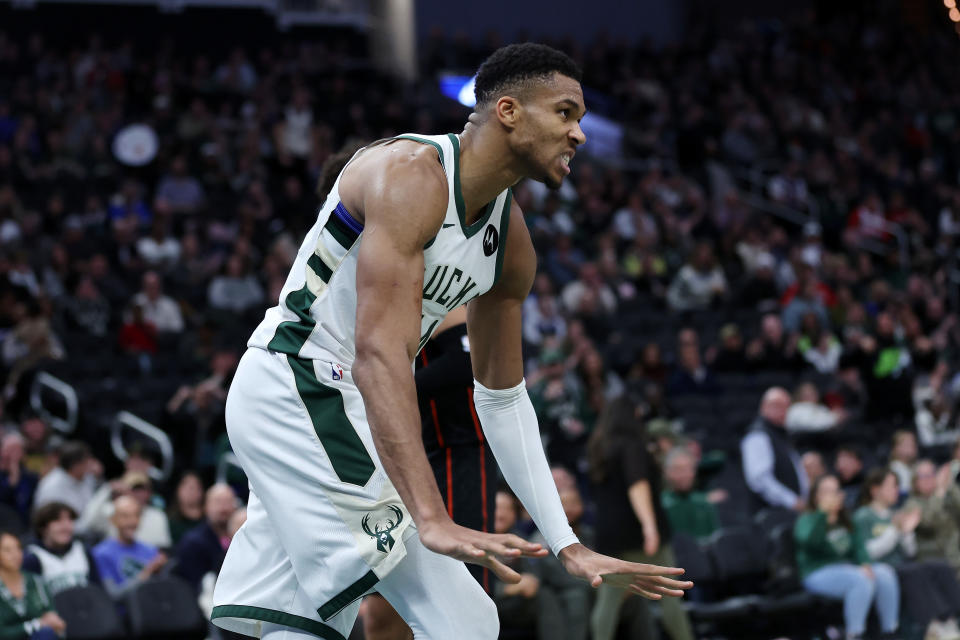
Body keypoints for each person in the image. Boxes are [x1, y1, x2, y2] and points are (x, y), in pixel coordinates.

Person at [211, 43, 690, 640]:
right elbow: (378, 355)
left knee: (286, 626)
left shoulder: (510, 241)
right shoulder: (410, 175)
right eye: (566, 113)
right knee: (465, 617)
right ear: (508, 111)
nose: (580, 136)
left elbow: (504, 399)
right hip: (301, 383)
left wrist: (568, 545)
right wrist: (431, 518)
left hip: (340, 404)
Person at [360, 305, 499, 640]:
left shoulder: (442, 298)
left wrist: (391, 389)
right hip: (397, 458)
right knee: (381, 605)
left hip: (457, 452)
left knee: (463, 591)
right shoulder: (364, 298)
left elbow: (466, 362)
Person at [587, 395, 694, 640]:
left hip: (609, 538)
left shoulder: (599, 448)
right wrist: (650, 527)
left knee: (607, 602)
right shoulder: (632, 444)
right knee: (671, 596)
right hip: (637, 535)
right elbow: (638, 485)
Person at [854, 469, 960, 640]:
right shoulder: (863, 516)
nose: (896, 490)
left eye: (896, 485)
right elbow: (869, 552)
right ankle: (934, 624)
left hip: (902, 564)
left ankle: (951, 618)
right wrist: (894, 530)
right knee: (913, 571)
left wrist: (907, 532)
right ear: (875, 490)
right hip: (881, 569)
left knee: (939, 566)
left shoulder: (894, 514)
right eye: (891, 486)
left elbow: (910, 551)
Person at [794, 474, 900, 640]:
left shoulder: (845, 519)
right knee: (860, 580)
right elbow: (811, 542)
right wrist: (822, 514)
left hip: (845, 568)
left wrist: (865, 563)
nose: (832, 496)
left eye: (835, 491)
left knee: (885, 573)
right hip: (816, 572)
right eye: (826, 491)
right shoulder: (807, 520)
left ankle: (890, 631)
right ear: (816, 496)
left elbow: (858, 547)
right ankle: (855, 634)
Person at [741, 387, 809, 512]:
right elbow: (759, 480)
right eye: (777, 406)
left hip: (789, 514)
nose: (783, 411)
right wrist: (792, 501)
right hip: (769, 517)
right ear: (764, 407)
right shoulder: (758, 435)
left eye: (786, 407)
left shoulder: (782, 435)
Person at [91, 495, 167, 600]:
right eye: (125, 516)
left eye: (136, 515)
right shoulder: (101, 553)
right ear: (113, 520)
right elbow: (112, 594)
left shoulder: (151, 550)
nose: (132, 521)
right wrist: (146, 574)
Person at [23, 502, 101, 596]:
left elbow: (98, 590)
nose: (66, 527)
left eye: (70, 520)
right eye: (58, 521)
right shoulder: (33, 557)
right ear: (43, 528)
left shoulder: (82, 550)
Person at [0, 530, 65, 640]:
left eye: (18, 548)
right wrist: (37, 624)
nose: (15, 554)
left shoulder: (36, 581)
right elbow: (2, 633)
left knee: (47, 633)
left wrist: (54, 622)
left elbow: (51, 617)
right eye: (7, 550)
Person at [174, 484, 237, 593]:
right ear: (206, 506)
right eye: (218, 502)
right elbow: (193, 588)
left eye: (228, 502)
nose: (224, 508)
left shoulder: (238, 538)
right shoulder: (193, 543)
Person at [660, 447, 719, 540]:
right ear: (667, 472)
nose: (685, 474)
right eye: (678, 468)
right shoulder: (661, 505)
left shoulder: (703, 502)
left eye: (689, 468)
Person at [32, 441, 100, 515]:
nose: (91, 464)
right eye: (86, 461)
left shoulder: (87, 477)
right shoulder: (51, 487)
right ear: (75, 466)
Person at [167, 471, 204, 546]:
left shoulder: (209, 519)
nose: (192, 491)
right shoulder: (169, 519)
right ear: (178, 490)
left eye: (196, 487)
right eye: (188, 487)